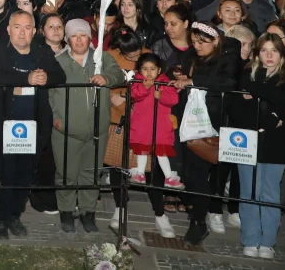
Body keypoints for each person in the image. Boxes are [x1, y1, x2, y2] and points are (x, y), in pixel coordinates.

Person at [0, 10, 66, 240]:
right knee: (4, 171)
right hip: (5, 123)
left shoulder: (42, 52)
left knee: (25, 171)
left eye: (27, 27)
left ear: (34, 31)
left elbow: (60, 76)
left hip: (33, 124)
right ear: (9, 30)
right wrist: (27, 79)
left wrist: (44, 79)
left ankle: (15, 215)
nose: (22, 32)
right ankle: (0, 218)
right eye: (17, 27)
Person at [49, 19, 123, 234]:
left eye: (83, 35)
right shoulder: (58, 61)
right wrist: (55, 117)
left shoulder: (102, 59)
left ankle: (88, 213)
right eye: (74, 35)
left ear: (90, 38)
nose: (79, 39)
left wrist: (107, 77)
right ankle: (66, 212)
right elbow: (49, 92)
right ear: (67, 39)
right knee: (66, 173)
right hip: (66, 130)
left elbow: (119, 75)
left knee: (91, 174)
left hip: (97, 130)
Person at [174, 22, 241, 245]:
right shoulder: (192, 56)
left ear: (215, 41)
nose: (197, 46)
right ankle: (196, 213)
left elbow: (229, 82)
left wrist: (195, 81)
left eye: (202, 42)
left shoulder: (228, 57)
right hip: (190, 121)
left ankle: (198, 221)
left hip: (212, 124)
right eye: (194, 42)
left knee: (201, 173)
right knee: (188, 174)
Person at [231, 33, 285, 259]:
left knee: (270, 192)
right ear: (257, 52)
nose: (269, 55)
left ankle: (267, 241)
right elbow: (240, 108)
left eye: (274, 50)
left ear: (282, 53)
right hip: (248, 139)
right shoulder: (248, 73)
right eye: (264, 50)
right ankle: (250, 238)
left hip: (277, 143)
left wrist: (257, 96)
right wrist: (271, 117)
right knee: (249, 191)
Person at [129, 54, 184, 189]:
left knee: (161, 150)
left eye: (152, 69)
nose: (148, 73)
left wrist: (162, 96)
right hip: (142, 122)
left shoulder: (165, 82)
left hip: (161, 123)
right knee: (142, 148)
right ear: (139, 70)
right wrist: (145, 87)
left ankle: (168, 177)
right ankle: (140, 173)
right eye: (145, 69)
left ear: (159, 70)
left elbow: (173, 99)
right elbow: (134, 94)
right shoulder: (137, 81)